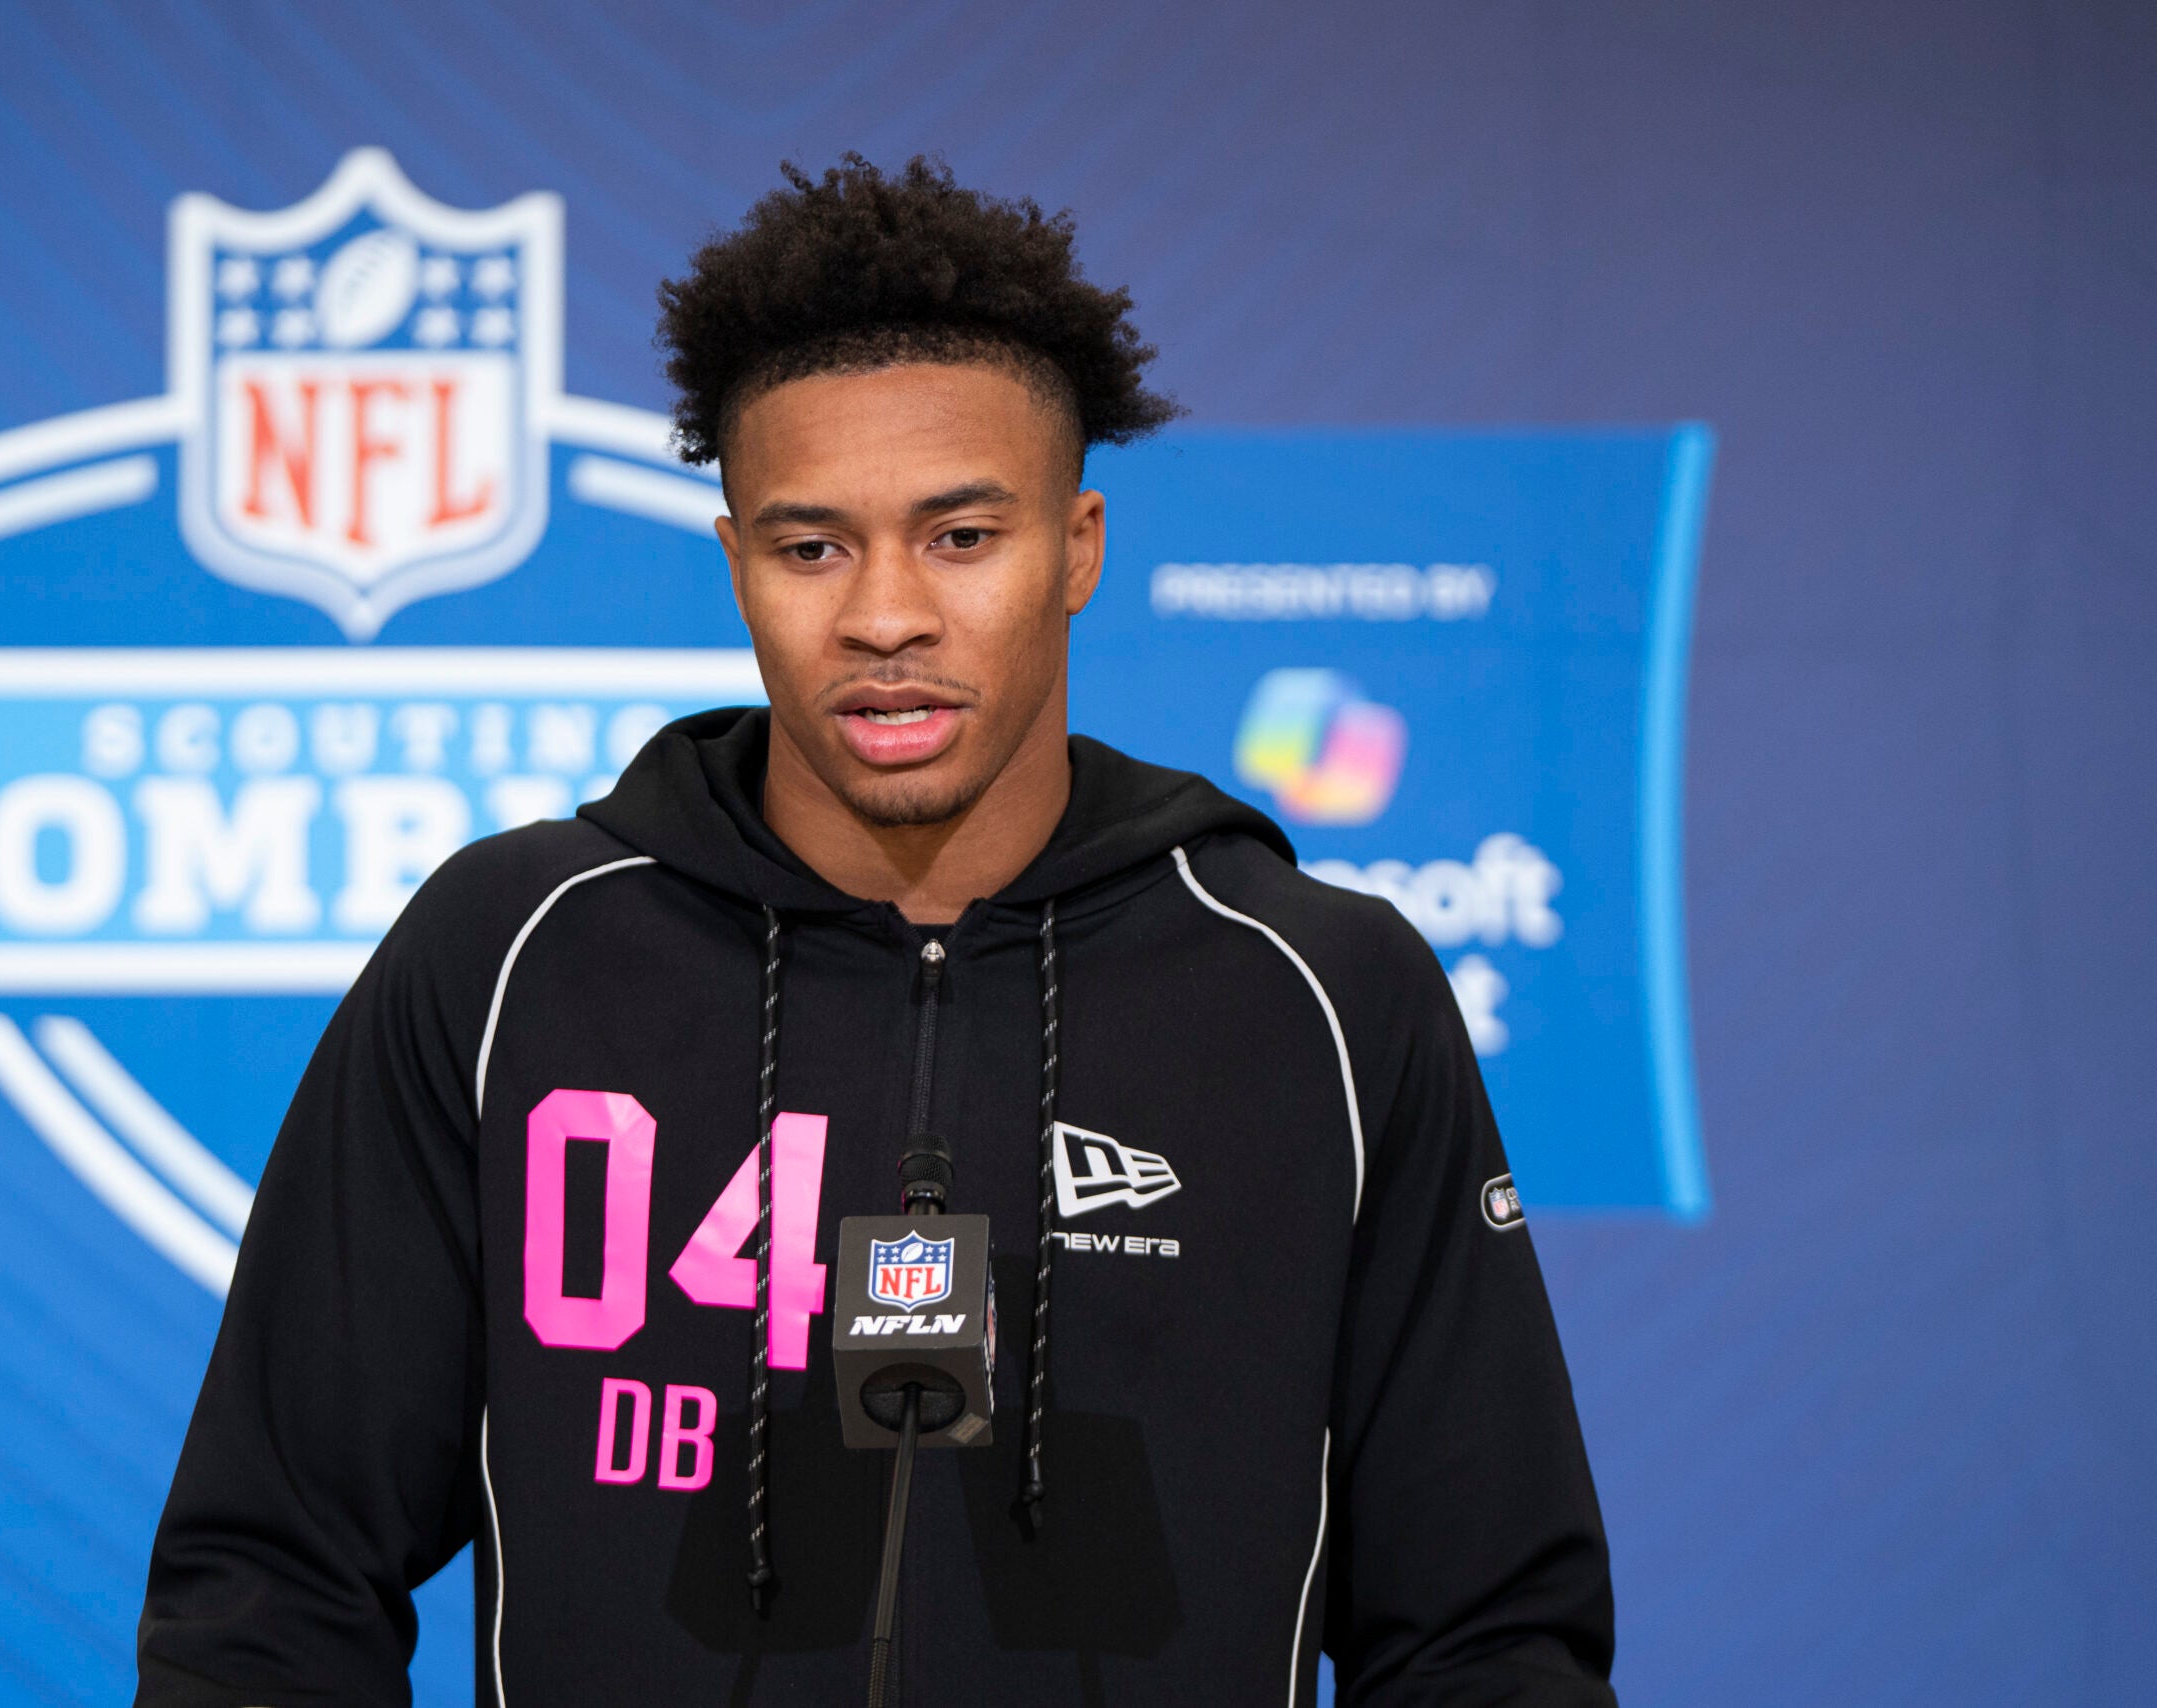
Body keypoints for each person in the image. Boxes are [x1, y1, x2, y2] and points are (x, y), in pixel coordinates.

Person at [136, 155, 1616, 1707]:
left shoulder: (1322, 992)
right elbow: (276, 1575)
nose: (886, 616)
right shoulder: (511, 955)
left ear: (1080, 548)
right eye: (812, 545)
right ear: (736, 568)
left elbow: (1484, 1631)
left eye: (962, 538)